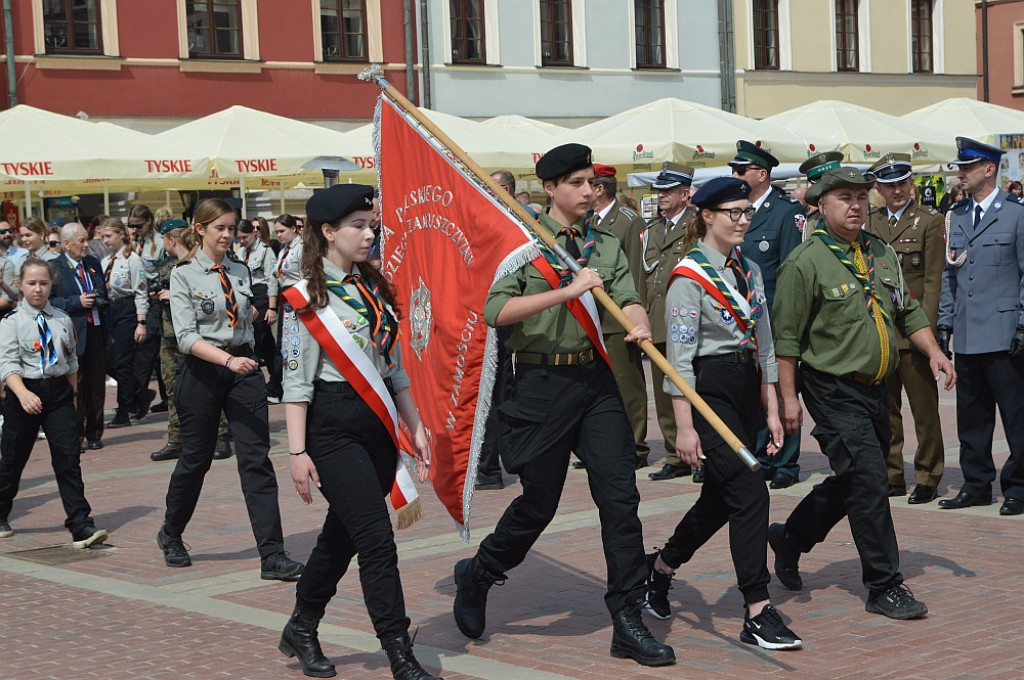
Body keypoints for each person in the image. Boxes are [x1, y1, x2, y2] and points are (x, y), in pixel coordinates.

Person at [453, 143, 675, 667]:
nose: (587, 191)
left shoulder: (604, 243)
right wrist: (567, 291)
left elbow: (625, 292)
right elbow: (496, 310)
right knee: (540, 502)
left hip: (595, 383)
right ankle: (480, 571)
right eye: (575, 183)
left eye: (591, 183)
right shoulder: (522, 245)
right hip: (537, 384)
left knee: (621, 500)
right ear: (549, 188)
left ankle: (626, 618)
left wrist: (637, 319)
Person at [768, 167, 955, 619]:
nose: (856, 206)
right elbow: (787, 341)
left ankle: (791, 537)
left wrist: (934, 352)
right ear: (821, 206)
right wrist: (788, 400)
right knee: (871, 480)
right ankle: (884, 585)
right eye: (844, 198)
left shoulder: (880, 252)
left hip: (875, 388)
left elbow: (907, 311)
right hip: (832, 388)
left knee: (854, 477)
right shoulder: (806, 261)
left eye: (860, 197)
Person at [277, 184, 439, 680]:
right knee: (375, 540)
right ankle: (398, 650)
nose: (370, 234)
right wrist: (297, 452)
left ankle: (302, 625)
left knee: (342, 536)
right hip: (332, 427)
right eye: (359, 226)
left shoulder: (372, 287)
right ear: (328, 232)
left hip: (377, 425)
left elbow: (394, 369)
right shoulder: (303, 298)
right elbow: (295, 380)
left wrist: (415, 424)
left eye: (372, 225)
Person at [644, 177, 801, 650]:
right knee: (751, 489)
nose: (742, 220)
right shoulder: (688, 278)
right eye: (732, 212)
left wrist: (772, 407)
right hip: (707, 392)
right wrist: (684, 429)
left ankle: (660, 569)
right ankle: (756, 608)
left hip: (746, 387)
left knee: (720, 497)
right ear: (706, 216)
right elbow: (681, 361)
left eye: (746, 212)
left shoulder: (749, 269)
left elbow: (766, 344)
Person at [158, 198, 303, 579]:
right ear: (199, 228)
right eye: (219, 227)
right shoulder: (184, 274)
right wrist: (226, 360)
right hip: (204, 371)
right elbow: (187, 338)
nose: (227, 234)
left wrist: (247, 325)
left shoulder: (240, 270)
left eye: (231, 227)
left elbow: (245, 319)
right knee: (196, 459)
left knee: (256, 461)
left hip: (243, 369)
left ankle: (272, 555)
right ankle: (171, 533)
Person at [936, 137, 1024, 516]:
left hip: (1006, 334)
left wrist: (1023, 324)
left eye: (968, 167)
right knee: (972, 418)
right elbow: (950, 274)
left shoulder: (1016, 214)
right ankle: (976, 485)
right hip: (968, 332)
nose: (961, 173)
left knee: (1017, 416)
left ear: (990, 170)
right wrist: (943, 323)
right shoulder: (955, 216)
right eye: (960, 166)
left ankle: (1018, 488)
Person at [0, 259, 108, 548]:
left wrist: (71, 398)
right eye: (32, 283)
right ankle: (1, 511)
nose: (38, 289)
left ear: (51, 285)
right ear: (21, 285)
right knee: (12, 459)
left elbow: (71, 361)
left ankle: (80, 524)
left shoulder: (62, 318)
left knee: (68, 458)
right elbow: (7, 364)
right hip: (24, 392)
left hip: (58, 394)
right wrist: (23, 394)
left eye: (44, 283)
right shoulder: (12, 322)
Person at [866, 153, 946, 504]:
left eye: (901, 183)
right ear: (880, 189)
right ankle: (892, 474)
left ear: (911, 184)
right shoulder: (870, 222)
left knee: (924, 410)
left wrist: (924, 334)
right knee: (886, 410)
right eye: (889, 184)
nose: (896, 190)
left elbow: (932, 281)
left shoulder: (929, 220)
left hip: (913, 331)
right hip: (880, 332)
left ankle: (928, 474)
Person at [729, 140, 806, 490]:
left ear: (761, 174)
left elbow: (793, 270)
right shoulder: (737, 210)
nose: (735, 175)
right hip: (745, 318)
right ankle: (762, 454)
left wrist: (788, 320)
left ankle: (787, 462)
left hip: (776, 316)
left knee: (783, 388)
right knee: (757, 389)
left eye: (741, 170)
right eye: (734, 169)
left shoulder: (786, 212)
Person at [149, 219, 231, 462]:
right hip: (170, 336)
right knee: (174, 388)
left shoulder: (202, 263)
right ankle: (176, 439)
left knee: (211, 387)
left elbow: (215, 295)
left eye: (164, 240)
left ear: (171, 240)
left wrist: (176, 295)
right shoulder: (165, 266)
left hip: (201, 337)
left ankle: (219, 437)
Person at [592, 163, 650, 470]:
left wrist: (635, 319)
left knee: (628, 386)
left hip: (619, 319)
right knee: (601, 388)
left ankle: (635, 446)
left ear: (599, 189)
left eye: (586, 184)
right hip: (593, 319)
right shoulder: (588, 222)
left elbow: (636, 274)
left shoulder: (629, 221)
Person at [642, 161, 697, 481]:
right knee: (665, 392)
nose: (661, 196)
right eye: (660, 190)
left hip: (688, 318)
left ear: (685, 194)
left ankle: (701, 453)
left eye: (668, 191)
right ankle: (675, 454)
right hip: (658, 319)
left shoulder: (697, 225)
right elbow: (646, 276)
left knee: (694, 387)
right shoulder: (653, 229)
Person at [49, 223, 109, 450]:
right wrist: (77, 302)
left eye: (87, 240)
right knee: (75, 386)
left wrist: (108, 331)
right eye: (81, 241)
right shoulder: (55, 267)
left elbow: (103, 295)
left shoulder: (93, 264)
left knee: (96, 385)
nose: (86, 245)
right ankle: (76, 433)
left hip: (96, 330)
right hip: (71, 333)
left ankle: (95, 433)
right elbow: (50, 301)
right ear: (66, 244)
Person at [99, 218, 149, 429]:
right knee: (109, 362)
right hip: (110, 311)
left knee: (122, 362)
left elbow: (140, 292)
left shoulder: (133, 260)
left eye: (108, 236)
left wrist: (141, 322)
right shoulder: (105, 261)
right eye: (102, 237)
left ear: (121, 234)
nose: (105, 240)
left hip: (128, 310)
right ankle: (139, 392)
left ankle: (124, 411)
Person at [236, 219, 282, 400]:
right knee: (258, 342)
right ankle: (269, 384)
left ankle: (275, 384)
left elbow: (272, 280)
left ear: (254, 233)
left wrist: (272, 307)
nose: (241, 241)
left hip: (262, 295)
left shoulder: (265, 251)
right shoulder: (239, 252)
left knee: (262, 340)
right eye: (238, 238)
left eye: (244, 237)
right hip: (247, 296)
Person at [126, 205, 163, 420]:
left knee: (145, 353)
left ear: (149, 221)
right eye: (130, 225)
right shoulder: (133, 242)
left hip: (153, 302)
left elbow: (168, 267)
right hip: (135, 301)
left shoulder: (159, 243)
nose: (134, 228)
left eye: (138, 225)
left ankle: (140, 400)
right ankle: (142, 396)